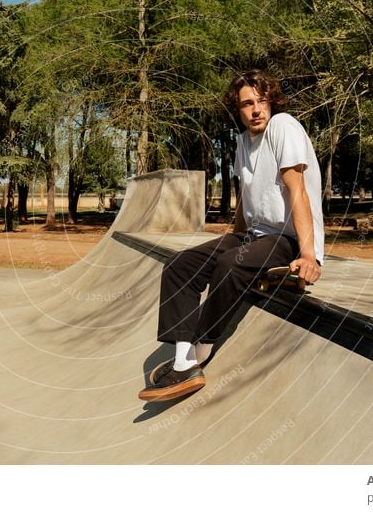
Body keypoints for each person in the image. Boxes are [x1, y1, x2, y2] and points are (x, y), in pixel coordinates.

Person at [138, 70, 324, 402]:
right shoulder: (242, 142)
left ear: (272, 103)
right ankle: (182, 360)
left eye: (262, 101)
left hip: (287, 238)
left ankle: (200, 350)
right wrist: (231, 235)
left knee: (230, 264)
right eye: (247, 104)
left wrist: (309, 254)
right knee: (180, 264)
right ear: (237, 110)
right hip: (252, 235)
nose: (256, 110)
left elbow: (298, 193)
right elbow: (247, 196)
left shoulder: (284, 128)